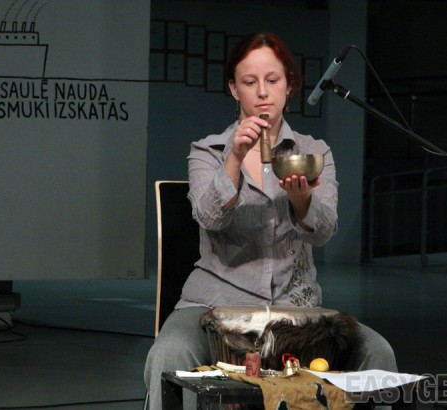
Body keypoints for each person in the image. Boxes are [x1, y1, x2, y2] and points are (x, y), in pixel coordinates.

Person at [144, 32, 397, 410]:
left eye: (273, 80)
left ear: (289, 85)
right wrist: (234, 157)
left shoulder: (314, 151)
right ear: (234, 89)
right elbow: (209, 216)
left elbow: (324, 232)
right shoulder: (208, 151)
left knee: (378, 352)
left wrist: (301, 200)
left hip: (297, 310)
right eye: (249, 82)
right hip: (214, 305)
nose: (262, 91)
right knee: (169, 352)